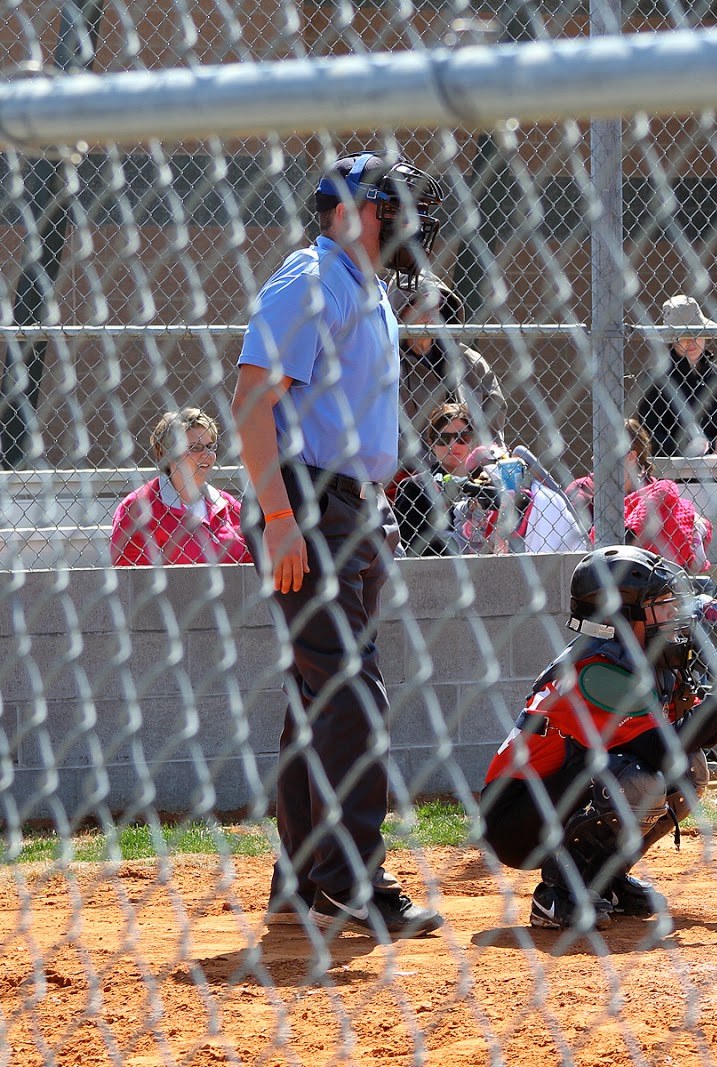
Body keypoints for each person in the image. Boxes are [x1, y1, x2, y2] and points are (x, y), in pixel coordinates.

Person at [232, 150, 446, 939]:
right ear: (358, 213)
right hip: (308, 508)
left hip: (355, 511)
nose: (409, 225)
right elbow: (252, 399)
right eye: (395, 209)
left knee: (317, 697)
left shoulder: (372, 294)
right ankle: (351, 883)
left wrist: (376, 505)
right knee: (353, 691)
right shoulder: (311, 280)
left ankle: (300, 880)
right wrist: (281, 519)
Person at [478, 545, 717, 932]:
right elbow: (662, 750)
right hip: (516, 817)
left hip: (558, 794)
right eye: (660, 605)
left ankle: (606, 881)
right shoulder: (596, 671)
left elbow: (684, 744)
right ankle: (559, 895)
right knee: (638, 779)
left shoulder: (640, 660)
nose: (673, 615)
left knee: (688, 769)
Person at [394, 402, 586, 557]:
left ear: (475, 440)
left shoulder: (495, 480)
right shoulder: (414, 487)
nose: (453, 445)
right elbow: (411, 545)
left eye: (463, 437)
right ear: (431, 443)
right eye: (443, 438)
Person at [110, 408, 252, 567]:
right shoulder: (138, 508)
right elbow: (131, 578)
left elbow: (253, 566)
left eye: (210, 446)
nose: (207, 454)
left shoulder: (229, 506)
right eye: (195, 447)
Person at [568, 419, 714, 574]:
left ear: (630, 456)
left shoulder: (657, 491)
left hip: (657, 577)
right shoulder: (582, 492)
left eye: (605, 452)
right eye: (596, 451)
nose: (594, 459)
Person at [391, 270, 507, 462]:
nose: (429, 310)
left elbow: (494, 425)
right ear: (398, 310)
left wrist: (482, 461)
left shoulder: (470, 362)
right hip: (412, 475)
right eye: (418, 302)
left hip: (472, 469)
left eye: (434, 302)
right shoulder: (388, 366)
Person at [636, 295, 717, 457]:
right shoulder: (656, 378)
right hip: (673, 473)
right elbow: (647, 438)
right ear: (671, 339)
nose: (691, 340)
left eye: (696, 332)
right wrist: (684, 446)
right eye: (683, 335)